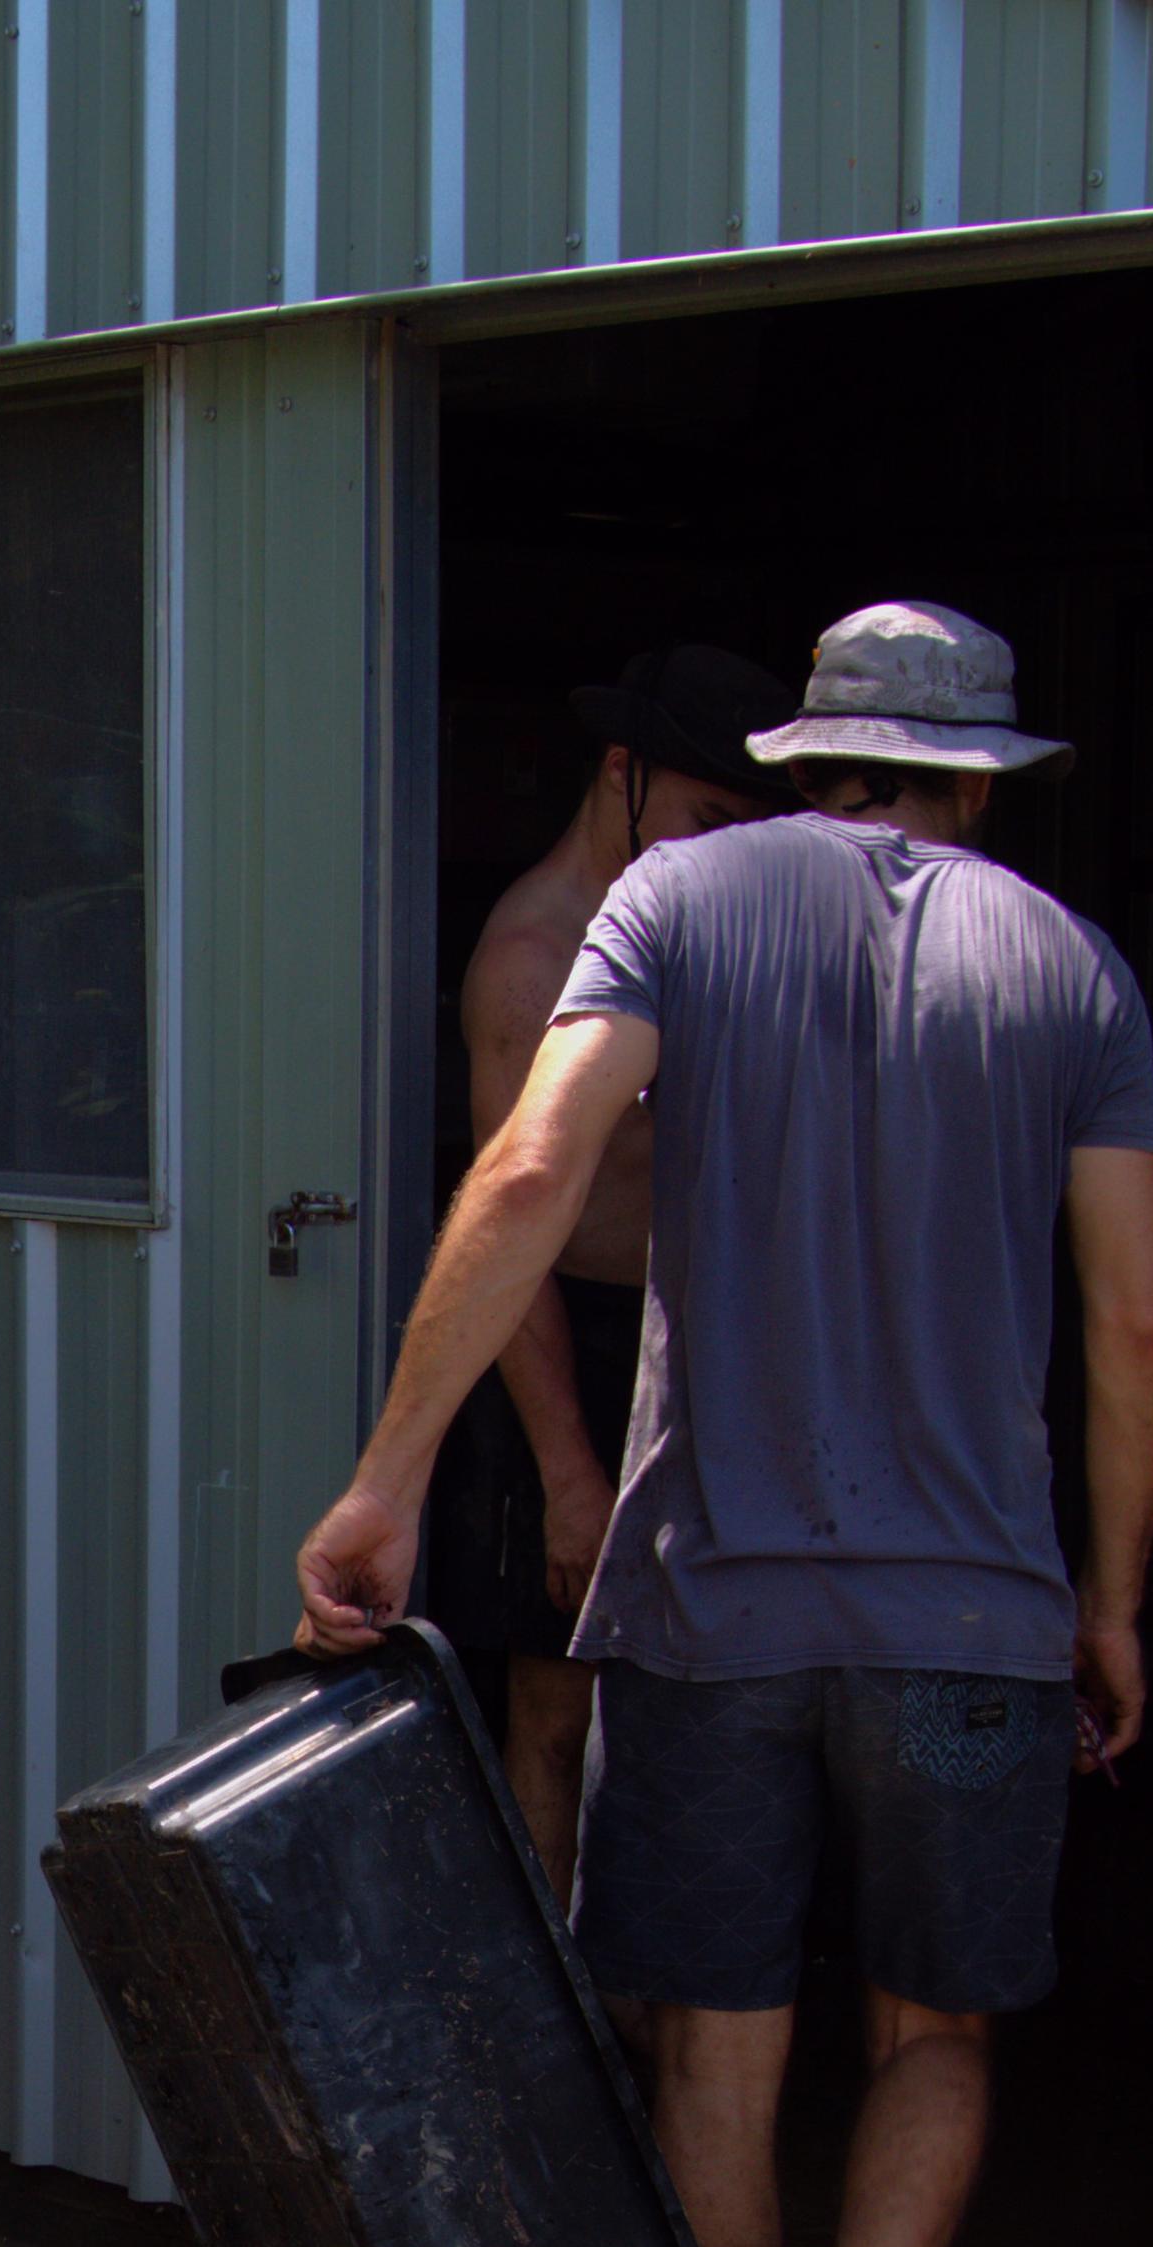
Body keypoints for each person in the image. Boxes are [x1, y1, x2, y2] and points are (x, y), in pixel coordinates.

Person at [294, 603, 1153, 2247]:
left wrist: (390, 1474)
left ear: (804, 756)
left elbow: (532, 1163)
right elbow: (1136, 1313)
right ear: (982, 780)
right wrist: (1112, 1593)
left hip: (706, 1610)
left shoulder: (675, 902)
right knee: (933, 2029)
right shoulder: (1070, 965)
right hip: (970, 1626)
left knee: (716, 2038)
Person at [416, 643, 793, 1886]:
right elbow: (510, 1223)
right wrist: (567, 1469)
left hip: (695, 1332)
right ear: (620, 774)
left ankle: (651, 1996)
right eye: (702, 819)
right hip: (563, 1344)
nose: (717, 851)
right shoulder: (533, 957)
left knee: (698, 1696)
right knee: (551, 1698)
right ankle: (558, 2017)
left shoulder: (713, 928)